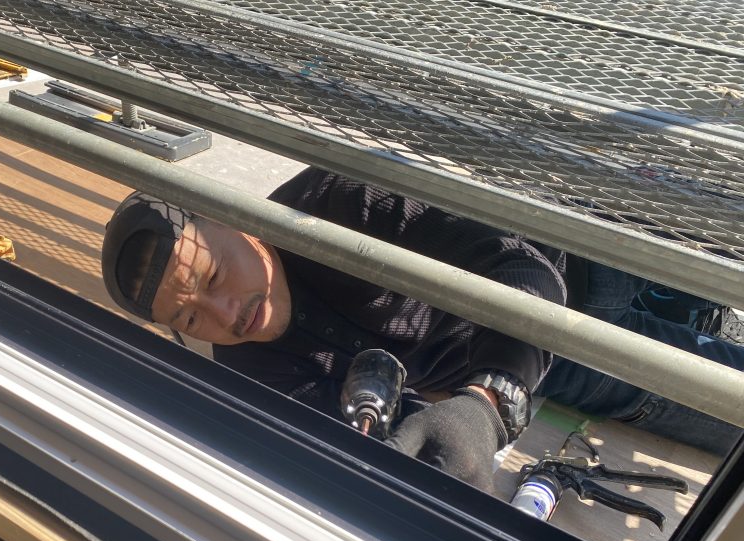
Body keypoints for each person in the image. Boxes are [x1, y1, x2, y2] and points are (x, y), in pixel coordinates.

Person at [100, 167, 743, 490]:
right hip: (546, 363)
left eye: (213, 276)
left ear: (234, 219)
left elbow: (522, 265)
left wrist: (487, 404)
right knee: (715, 400)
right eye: (190, 318)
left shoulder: (342, 203)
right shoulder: (249, 365)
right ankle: (686, 317)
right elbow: (381, 438)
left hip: (578, 258)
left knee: (705, 261)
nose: (224, 315)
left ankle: (688, 300)